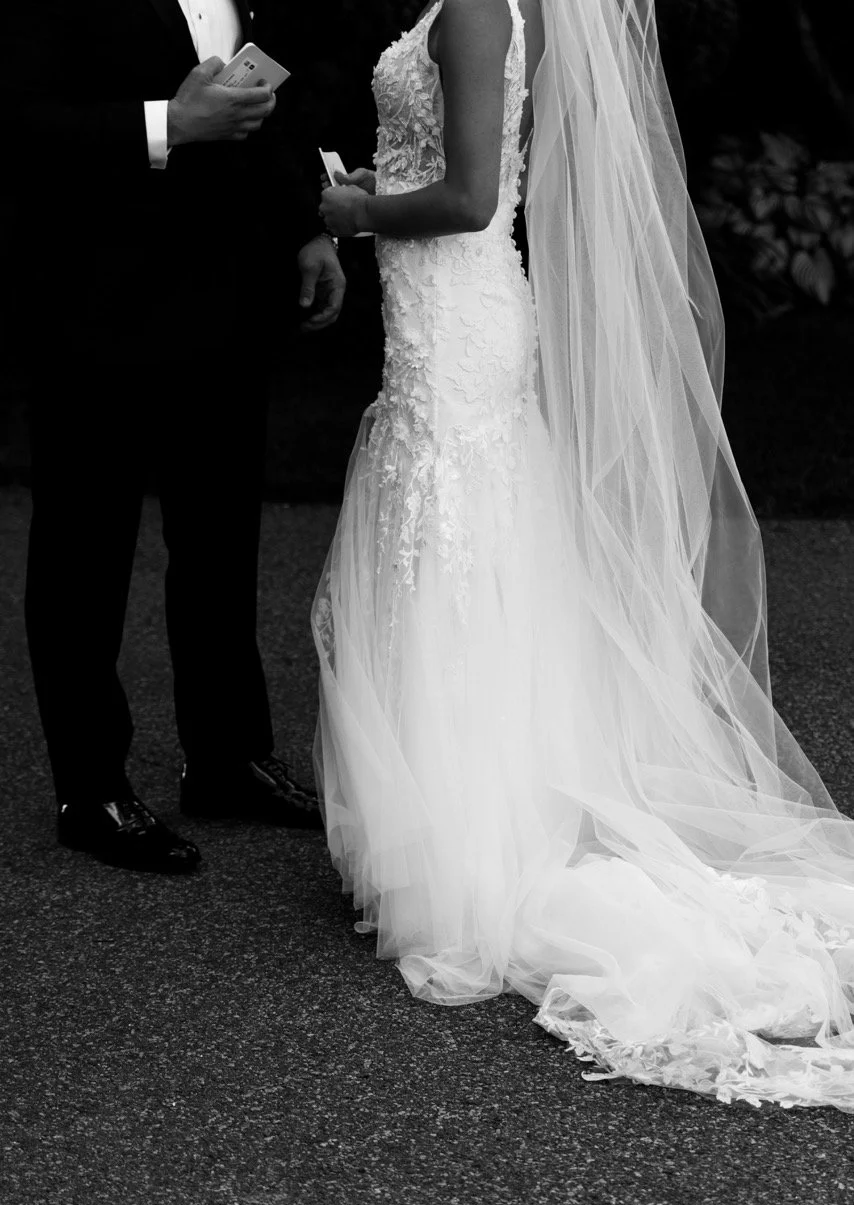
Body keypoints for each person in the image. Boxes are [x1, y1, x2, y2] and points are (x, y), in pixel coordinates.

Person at [315, 0, 854, 1112]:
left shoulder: (478, 9)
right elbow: (447, 163)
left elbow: (471, 199)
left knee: (455, 547)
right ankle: (458, 815)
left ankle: (469, 847)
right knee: (459, 551)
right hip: (444, 314)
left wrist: (353, 209)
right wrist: (378, 179)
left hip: (457, 314)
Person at [9, 1, 346, 873]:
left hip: (227, 292)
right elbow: (19, 121)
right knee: (84, 552)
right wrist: (169, 124)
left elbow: (271, 99)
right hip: (95, 299)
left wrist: (306, 225)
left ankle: (227, 759)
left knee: (221, 540)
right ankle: (91, 789)